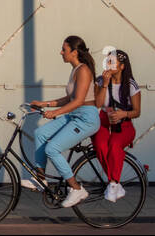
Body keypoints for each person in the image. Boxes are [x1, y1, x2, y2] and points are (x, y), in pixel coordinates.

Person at [22, 35, 100, 208]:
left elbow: (79, 101)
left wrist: (55, 113)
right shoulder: (75, 70)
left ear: (74, 52)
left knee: (52, 148)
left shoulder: (84, 70)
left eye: (64, 49)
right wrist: (44, 104)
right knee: (40, 133)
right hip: (74, 115)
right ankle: (40, 180)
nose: (61, 52)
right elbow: (69, 98)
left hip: (86, 118)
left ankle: (76, 188)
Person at [92, 47, 142, 203]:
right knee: (100, 145)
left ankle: (113, 183)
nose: (108, 65)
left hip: (124, 124)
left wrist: (123, 114)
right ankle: (115, 183)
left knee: (114, 145)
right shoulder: (100, 81)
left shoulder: (131, 85)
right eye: (107, 61)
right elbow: (98, 104)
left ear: (122, 66)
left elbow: (137, 111)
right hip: (103, 119)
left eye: (112, 62)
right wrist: (105, 84)